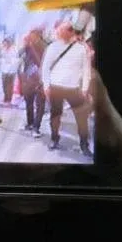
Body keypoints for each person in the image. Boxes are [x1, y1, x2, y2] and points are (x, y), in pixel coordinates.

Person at [41, 20, 92, 156]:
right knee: (55, 115)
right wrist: (46, 86)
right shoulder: (53, 47)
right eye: (59, 31)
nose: (58, 33)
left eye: (61, 31)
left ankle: (84, 145)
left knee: (81, 117)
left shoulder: (81, 49)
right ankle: (54, 139)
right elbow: (45, 68)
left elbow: (86, 69)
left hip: (73, 88)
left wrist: (85, 88)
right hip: (55, 87)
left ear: (70, 32)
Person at [19, 30, 46, 137]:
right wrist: (25, 46)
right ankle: (30, 123)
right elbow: (21, 57)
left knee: (40, 104)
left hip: (40, 79)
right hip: (28, 80)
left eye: (32, 36)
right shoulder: (27, 47)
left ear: (38, 36)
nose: (30, 38)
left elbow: (43, 63)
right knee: (29, 102)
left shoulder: (43, 47)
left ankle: (36, 127)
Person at [1, 38, 19, 104]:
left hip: (11, 71)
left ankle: (9, 99)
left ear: (9, 43)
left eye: (5, 43)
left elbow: (15, 61)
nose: (4, 45)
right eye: (4, 44)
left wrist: (12, 68)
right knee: (4, 85)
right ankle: (5, 98)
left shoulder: (14, 51)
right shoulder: (3, 51)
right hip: (4, 70)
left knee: (9, 85)